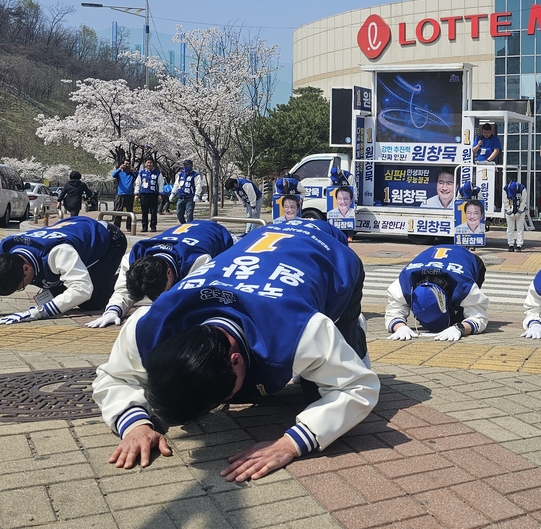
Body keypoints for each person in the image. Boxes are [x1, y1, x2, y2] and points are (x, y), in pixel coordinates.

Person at [92, 221, 377, 480]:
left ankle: (351, 334)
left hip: (328, 255)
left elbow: (358, 387)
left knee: (320, 392)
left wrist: (290, 444)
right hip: (260, 247)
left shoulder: (301, 330)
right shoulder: (150, 324)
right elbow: (114, 376)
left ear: (236, 359)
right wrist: (135, 424)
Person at [0, 216, 127, 324]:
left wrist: (38, 313)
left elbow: (83, 289)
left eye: (20, 286)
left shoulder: (57, 252)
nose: (20, 289)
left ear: (26, 268)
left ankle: (125, 276)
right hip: (74, 232)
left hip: (108, 240)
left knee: (91, 302)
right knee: (49, 297)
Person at [86, 221, 236, 328]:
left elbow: (198, 300)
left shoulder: (198, 262)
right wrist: (113, 311)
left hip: (221, 238)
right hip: (184, 232)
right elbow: (123, 290)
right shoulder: (132, 257)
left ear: (169, 271)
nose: (154, 300)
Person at [384, 245, 488, 341]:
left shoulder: (464, 286)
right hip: (431, 254)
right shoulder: (403, 285)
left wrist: (460, 328)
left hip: (467, 259)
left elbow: (479, 317)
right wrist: (400, 327)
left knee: (459, 317)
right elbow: (392, 312)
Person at [503, 177, 527, 252]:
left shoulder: (522, 189)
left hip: (520, 212)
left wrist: (519, 211)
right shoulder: (506, 189)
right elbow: (505, 202)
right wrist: (510, 212)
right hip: (509, 212)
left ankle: (519, 245)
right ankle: (510, 245)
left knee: (520, 228)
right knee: (510, 228)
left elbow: (523, 201)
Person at [137, 159, 161, 233]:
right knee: (144, 211)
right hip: (144, 194)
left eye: (150, 163)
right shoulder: (141, 173)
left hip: (153, 194)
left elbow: (160, 183)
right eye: (147, 163)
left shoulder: (157, 173)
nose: (149, 164)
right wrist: (136, 193)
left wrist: (160, 193)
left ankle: (153, 226)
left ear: (153, 164)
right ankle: (144, 226)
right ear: (145, 164)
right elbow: (138, 183)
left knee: (153, 211)